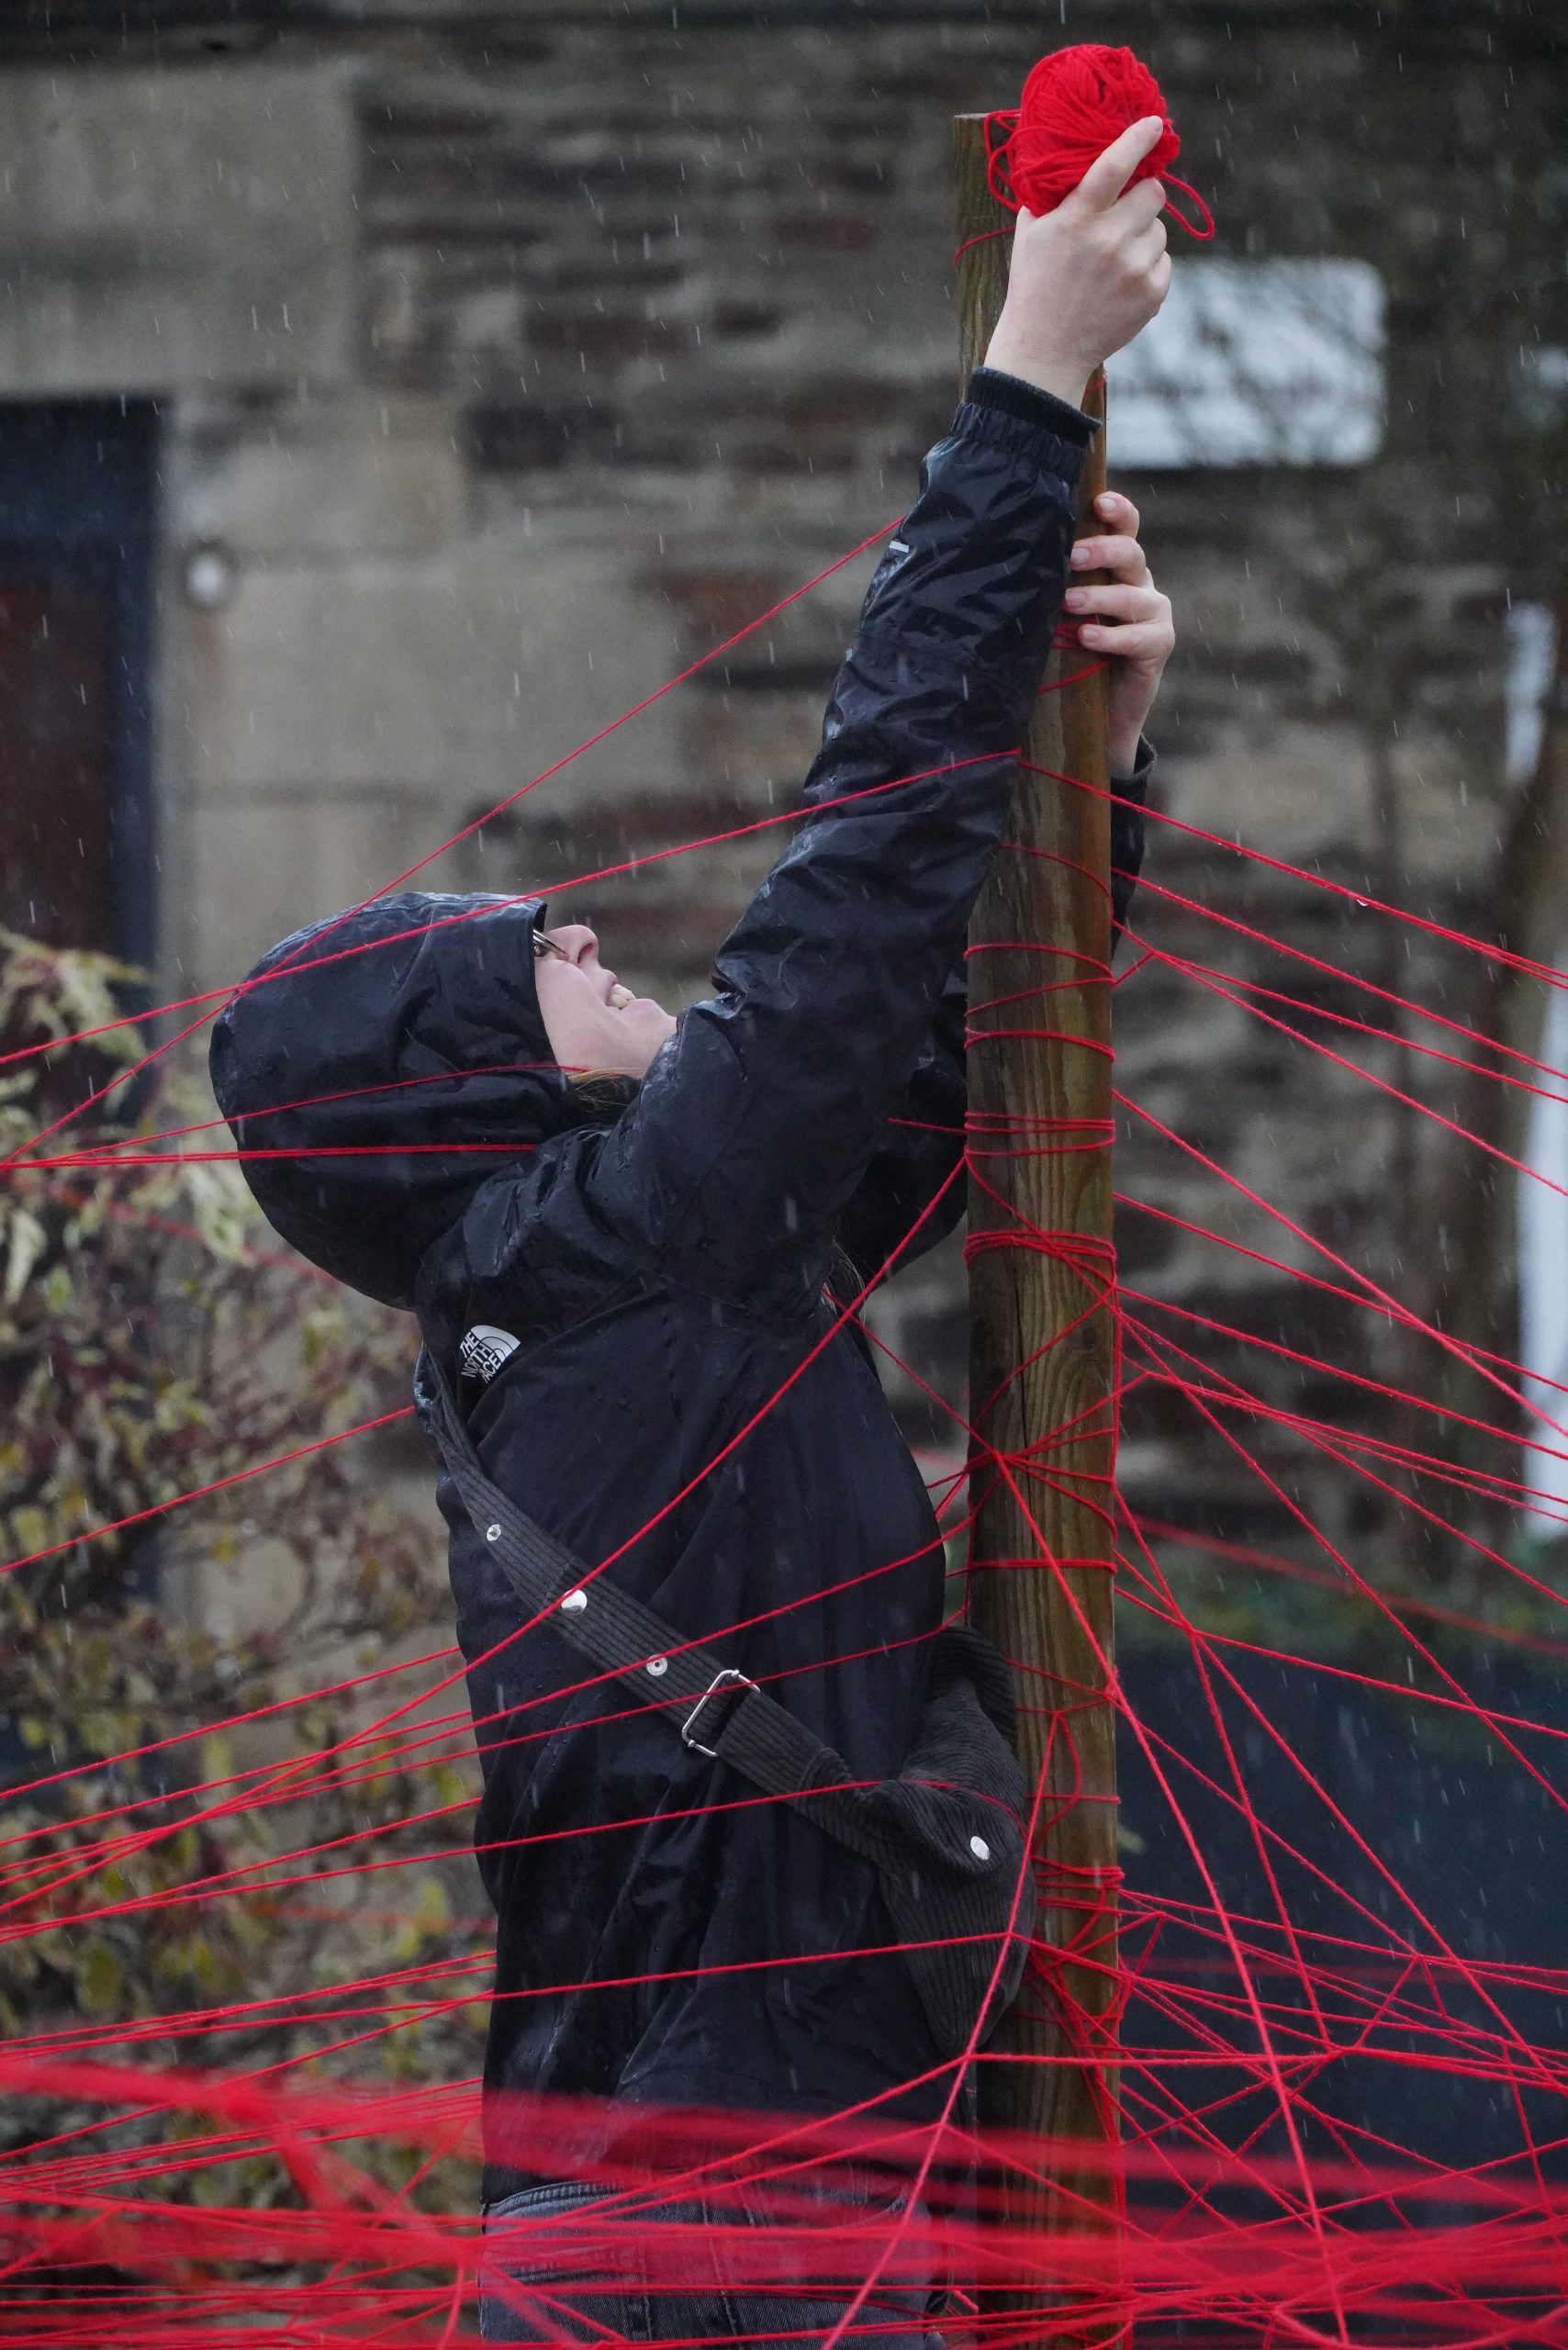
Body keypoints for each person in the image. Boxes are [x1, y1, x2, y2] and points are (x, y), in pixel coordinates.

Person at [212, 114, 1176, 2350]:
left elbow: (931, 1106)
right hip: (714, 2258)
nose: (591, 941)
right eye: (533, 957)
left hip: (699, 2230)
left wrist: (1095, 770)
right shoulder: (602, 1258)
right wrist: (1023, 383)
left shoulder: (613, 1282)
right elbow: (855, 900)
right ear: (460, 1078)